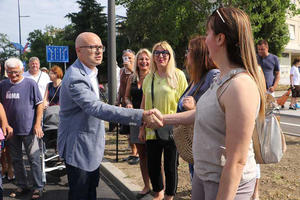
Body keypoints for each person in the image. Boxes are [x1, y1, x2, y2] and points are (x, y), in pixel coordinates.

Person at [162, 7, 266, 199]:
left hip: (225, 184)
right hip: (205, 176)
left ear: (220, 38)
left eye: (208, 33)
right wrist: (163, 119)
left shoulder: (239, 86)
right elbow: (200, 112)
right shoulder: (221, 79)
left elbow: (236, 161)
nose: (205, 39)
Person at [58, 32, 163, 200]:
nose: (99, 51)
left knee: (91, 191)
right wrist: (141, 115)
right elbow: (97, 108)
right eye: (92, 47)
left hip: (89, 147)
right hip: (79, 148)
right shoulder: (75, 77)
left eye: (100, 47)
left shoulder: (90, 71)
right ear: (79, 51)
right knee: (81, 194)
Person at [139, 41, 188, 200]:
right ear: (153, 57)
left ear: (170, 55)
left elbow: (185, 102)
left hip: (172, 128)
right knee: (153, 164)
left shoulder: (178, 75)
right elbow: (143, 103)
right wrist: (141, 127)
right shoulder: (149, 78)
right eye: (157, 53)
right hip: (151, 128)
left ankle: (169, 196)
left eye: (164, 53)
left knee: (171, 166)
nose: (161, 56)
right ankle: (158, 192)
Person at [0, 57, 44, 199]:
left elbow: (40, 104)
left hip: (29, 129)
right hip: (11, 131)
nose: (13, 75)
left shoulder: (30, 84)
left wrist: (37, 124)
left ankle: (38, 187)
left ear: (22, 70)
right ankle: (22, 185)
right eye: (9, 72)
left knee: (34, 159)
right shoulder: (3, 85)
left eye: (16, 72)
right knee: (16, 159)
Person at [178, 35, 219, 181]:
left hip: (205, 146)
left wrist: (195, 108)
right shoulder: (195, 79)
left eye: (189, 50)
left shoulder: (213, 75)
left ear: (199, 53)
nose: (186, 54)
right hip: (194, 143)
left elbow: (218, 108)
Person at [124, 48, 151, 198]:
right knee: (142, 155)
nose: (144, 62)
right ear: (137, 62)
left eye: (146, 59)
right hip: (136, 118)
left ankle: (160, 186)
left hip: (150, 119)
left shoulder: (154, 77)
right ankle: (147, 185)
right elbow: (126, 96)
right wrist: (128, 103)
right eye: (141, 59)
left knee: (154, 154)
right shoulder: (132, 78)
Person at [117, 49, 139, 163]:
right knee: (127, 130)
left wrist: (130, 68)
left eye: (130, 58)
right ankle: (132, 152)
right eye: (125, 57)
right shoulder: (121, 71)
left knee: (134, 129)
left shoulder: (136, 70)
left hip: (135, 102)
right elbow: (121, 87)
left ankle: (136, 153)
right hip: (125, 102)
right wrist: (118, 100)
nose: (127, 60)